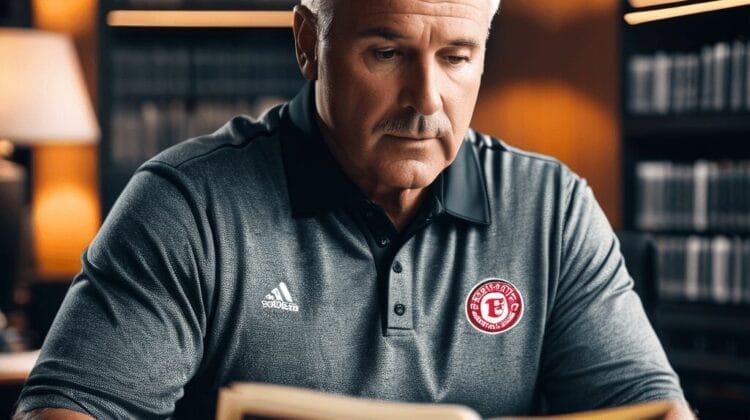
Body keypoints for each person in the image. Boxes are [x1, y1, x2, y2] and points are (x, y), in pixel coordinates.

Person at [14, 0, 694, 418]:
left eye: (457, 58)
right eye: (387, 52)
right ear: (308, 42)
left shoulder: (553, 210)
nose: (426, 100)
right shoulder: (187, 205)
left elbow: (651, 414)